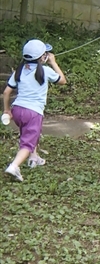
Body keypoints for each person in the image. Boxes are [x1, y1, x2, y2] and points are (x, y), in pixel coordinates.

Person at [2, 39, 67, 182]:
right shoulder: (46, 70)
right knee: (28, 141)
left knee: (31, 133)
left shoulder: (19, 71)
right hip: (33, 112)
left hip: (18, 110)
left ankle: (34, 157)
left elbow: (7, 92)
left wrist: (7, 110)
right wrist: (53, 63)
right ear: (43, 57)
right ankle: (14, 166)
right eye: (46, 54)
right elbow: (62, 81)